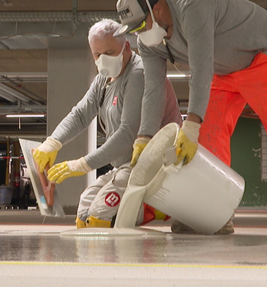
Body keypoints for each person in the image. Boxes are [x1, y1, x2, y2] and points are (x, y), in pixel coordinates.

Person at [113, 0, 267, 238]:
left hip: (263, 55)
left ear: (158, 8)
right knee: (208, 137)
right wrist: (144, 137)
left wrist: (190, 124)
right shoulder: (150, 42)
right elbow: (153, 90)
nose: (140, 34)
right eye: (134, 31)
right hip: (224, 70)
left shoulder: (194, 5)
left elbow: (201, 66)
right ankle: (217, 214)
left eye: (141, 25)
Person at [32, 19, 181, 228]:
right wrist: (53, 142)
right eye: (97, 55)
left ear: (126, 47)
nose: (102, 60)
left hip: (152, 166)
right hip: (125, 166)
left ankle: (154, 207)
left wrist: (81, 164)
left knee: (98, 218)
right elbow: (81, 114)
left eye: (109, 53)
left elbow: (127, 134)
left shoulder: (139, 74)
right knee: (83, 215)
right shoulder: (103, 79)